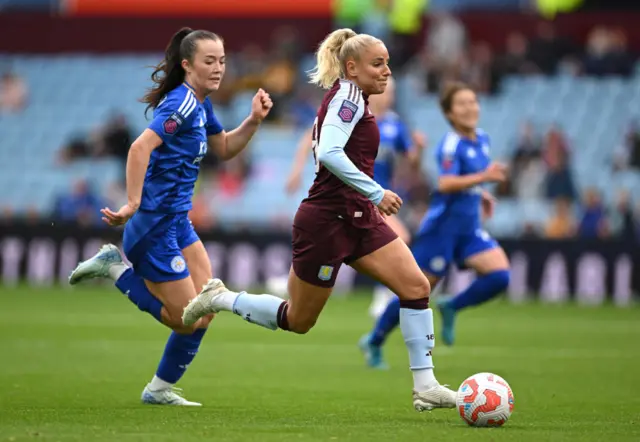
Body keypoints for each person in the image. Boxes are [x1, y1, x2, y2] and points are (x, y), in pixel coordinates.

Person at [182, 28, 457, 412]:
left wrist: (371, 198)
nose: (386, 72)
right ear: (351, 67)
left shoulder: (356, 96)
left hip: (359, 217)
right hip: (327, 221)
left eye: (388, 64)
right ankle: (221, 297)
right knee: (299, 320)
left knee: (415, 286)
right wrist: (377, 191)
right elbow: (327, 152)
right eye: (378, 64)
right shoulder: (347, 97)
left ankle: (426, 385)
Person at [67, 28, 273, 405]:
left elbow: (224, 147)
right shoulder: (179, 105)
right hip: (153, 228)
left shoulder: (201, 105)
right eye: (209, 61)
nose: (218, 68)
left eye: (222, 61)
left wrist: (254, 121)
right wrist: (131, 203)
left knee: (206, 311)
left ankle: (158, 390)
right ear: (187, 64)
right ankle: (114, 268)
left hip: (178, 223)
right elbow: (139, 147)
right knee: (186, 319)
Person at [359, 82, 510, 369]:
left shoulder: (483, 139)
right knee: (415, 291)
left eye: (473, 102)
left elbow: (465, 180)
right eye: (462, 104)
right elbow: (445, 183)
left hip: (468, 230)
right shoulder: (451, 144)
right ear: (449, 114)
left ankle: (452, 305)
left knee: (500, 276)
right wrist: (482, 179)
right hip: (442, 230)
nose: (470, 108)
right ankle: (375, 339)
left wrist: (481, 193)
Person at [285, 77, 425, 318]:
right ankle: (381, 296)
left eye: (391, 92)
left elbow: (411, 161)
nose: (388, 96)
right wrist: (296, 170)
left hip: (377, 197)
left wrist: (419, 149)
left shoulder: (394, 124)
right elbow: (315, 136)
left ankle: (381, 295)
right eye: (386, 91)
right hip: (355, 194)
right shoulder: (352, 110)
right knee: (400, 236)